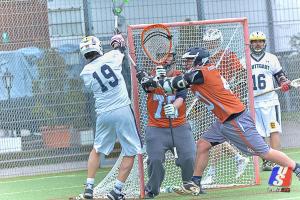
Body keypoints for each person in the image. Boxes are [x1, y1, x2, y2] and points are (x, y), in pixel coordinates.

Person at [140, 47, 300, 195]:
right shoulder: (199, 73)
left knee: (264, 152)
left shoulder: (200, 73)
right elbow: (176, 84)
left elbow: (173, 84)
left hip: (236, 120)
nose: (186, 63)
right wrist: (156, 79)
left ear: (199, 60)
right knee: (202, 145)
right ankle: (194, 183)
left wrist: (150, 81)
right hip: (223, 121)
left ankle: (296, 167)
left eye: (189, 60)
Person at [79, 34, 142, 200]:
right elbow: (120, 48)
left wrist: (117, 45)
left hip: (103, 113)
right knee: (131, 151)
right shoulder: (112, 57)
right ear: (98, 47)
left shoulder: (85, 72)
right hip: (122, 110)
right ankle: (116, 191)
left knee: (97, 149)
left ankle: (89, 187)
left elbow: (114, 53)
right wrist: (117, 41)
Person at [136, 50, 196, 198]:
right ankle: (152, 189)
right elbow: (146, 87)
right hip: (156, 128)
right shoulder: (149, 76)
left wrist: (174, 106)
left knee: (189, 158)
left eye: (169, 56)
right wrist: (156, 78)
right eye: (163, 56)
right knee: (155, 160)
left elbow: (181, 96)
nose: (166, 60)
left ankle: (189, 185)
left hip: (179, 125)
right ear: (157, 59)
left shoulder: (179, 76)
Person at [199, 28, 249, 184]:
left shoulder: (227, 55)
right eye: (207, 42)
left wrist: (233, 88)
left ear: (218, 41)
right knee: (217, 136)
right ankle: (238, 158)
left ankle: (212, 173)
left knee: (216, 137)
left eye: (212, 42)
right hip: (212, 103)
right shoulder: (204, 59)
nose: (210, 44)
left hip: (226, 103)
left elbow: (241, 73)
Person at [250, 31, 290, 171]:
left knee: (274, 130)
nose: (258, 43)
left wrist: (284, 82)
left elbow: (279, 75)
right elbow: (241, 80)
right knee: (258, 133)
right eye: (255, 41)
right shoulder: (245, 60)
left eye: (260, 41)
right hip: (253, 103)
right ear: (250, 43)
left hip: (270, 101)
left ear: (265, 42)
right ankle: (266, 160)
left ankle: (276, 161)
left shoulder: (271, 58)